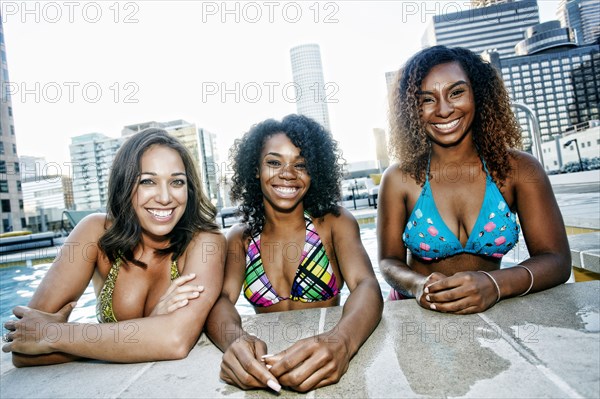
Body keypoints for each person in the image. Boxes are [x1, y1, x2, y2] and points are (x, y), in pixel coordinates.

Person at [2, 129, 225, 366]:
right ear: (124, 185)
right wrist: (150, 327)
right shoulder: (94, 232)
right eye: (147, 181)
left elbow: (174, 339)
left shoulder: (205, 243)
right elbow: (24, 347)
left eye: (177, 182)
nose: (164, 197)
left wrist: (55, 335)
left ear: (188, 189)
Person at [378, 45, 571, 314]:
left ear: (478, 94)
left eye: (456, 92)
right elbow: (388, 261)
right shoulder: (399, 178)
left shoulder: (517, 170)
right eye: (427, 99)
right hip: (416, 314)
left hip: (493, 312)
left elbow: (557, 260)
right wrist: (418, 285)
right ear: (413, 109)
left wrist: (495, 284)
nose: (444, 110)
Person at [205, 114, 383, 393]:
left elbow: (367, 285)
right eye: (274, 162)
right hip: (265, 368)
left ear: (314, 172)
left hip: (327, 364)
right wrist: (235, 340)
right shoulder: (241, 237)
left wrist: (343, 342)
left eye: (300, 164)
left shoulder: (334, 224)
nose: (287, 173)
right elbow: (223, 300)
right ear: (255, 169)